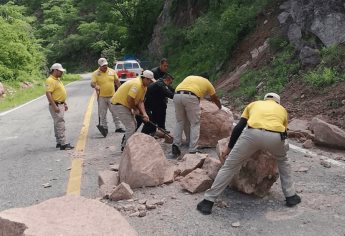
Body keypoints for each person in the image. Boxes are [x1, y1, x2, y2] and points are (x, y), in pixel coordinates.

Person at [196, 93, 302, 215]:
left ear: (264, 99)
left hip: (252, 134)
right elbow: (284, 132)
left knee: (230, 166)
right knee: (283, 162)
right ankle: (291, 196)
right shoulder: (282, 110)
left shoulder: (254, 104)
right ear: (278, 102)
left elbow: (239, 127)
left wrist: (229, 148)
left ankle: (208, 201)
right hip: (275, 137)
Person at [170, 73, 221, 158]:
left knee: (180, 122)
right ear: (207, 79)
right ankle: (193, 149)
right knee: (195, 123)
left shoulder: (190, 77)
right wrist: (220, 107)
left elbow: (195, 92)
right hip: (191, 97)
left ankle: (175, 146)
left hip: (177, 95)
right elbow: (214, 98)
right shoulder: (207, 82)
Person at [110, 70, 156, 151]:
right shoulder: (137, 84)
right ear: (145, 78)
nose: (151, 83)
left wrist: (144, 114)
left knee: (134, 124)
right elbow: (129, 99)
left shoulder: (144, 87)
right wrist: (135, 109)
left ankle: (127, 145)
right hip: (118, 104)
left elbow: (140, 101)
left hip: (125, 105)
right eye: (150, 80)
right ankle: (126, 148)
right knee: (131, 127)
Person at [91, 58, 125, 137]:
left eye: (106, 65)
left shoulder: (112, 71)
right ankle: (105, 128)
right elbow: (92, 83)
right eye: (103, 66)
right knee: (103, 114)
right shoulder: (95, 73)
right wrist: (96, 86)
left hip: (112, 96)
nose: (105, 67)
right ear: (99, 66)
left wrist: (121, 91)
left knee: (115, 112)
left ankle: (118, 127)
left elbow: (117, 82)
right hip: (101, 97)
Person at [45, 63, 74, 150]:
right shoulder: (50, 80)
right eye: (60, 71)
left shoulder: (57, 79)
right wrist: (54, 106)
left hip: (60, 103)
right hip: (56, 104)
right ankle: (63, 143)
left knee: (57, 123)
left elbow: (58, 93)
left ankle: (59, 142)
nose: (62, 72)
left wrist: (64, 103)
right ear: (55, 70)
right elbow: (48, 93)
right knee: (60, 124)